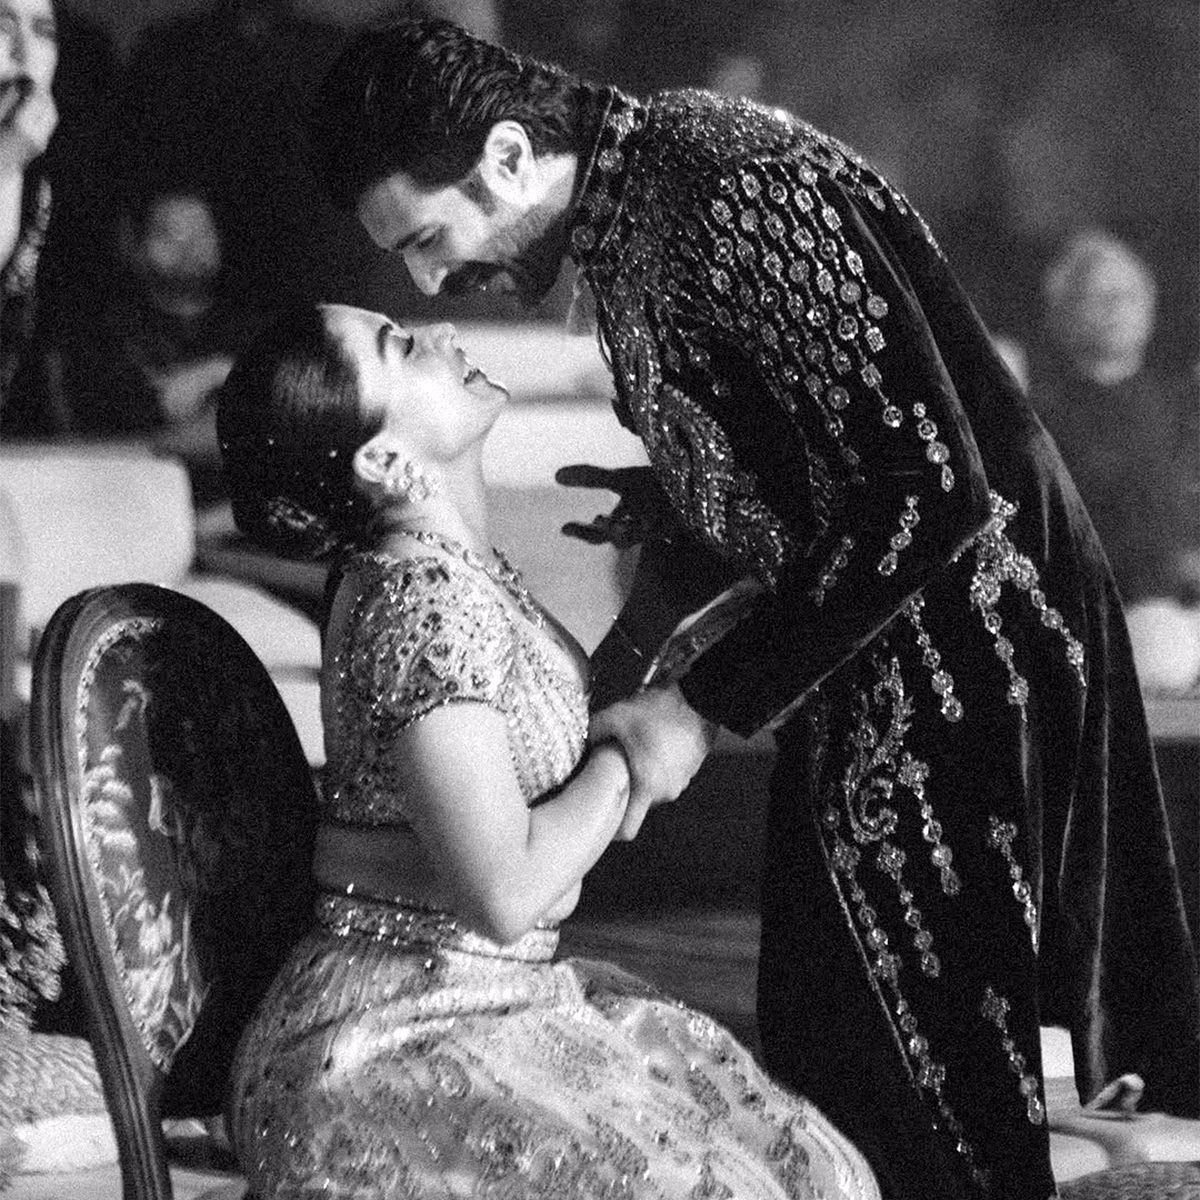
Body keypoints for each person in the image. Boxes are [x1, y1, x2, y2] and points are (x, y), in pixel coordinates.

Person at [303, 18, 1200, 1200]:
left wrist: (696, 707)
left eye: (428, 239)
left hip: (966, 648)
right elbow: (813, 443)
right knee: (834, 1067)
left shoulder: (729, 189)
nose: (429, 283)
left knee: (922, 1097)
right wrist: (683, 502)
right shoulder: (636, 208)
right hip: (864, 654)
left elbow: (931, 489)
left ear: (508, 159)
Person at [215, 301, 882, 1200]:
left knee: (804, 1165)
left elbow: (537, 768)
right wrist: (638, 756)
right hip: (390, 1033)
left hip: (496, 997)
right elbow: (506, 891)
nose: (443, 335)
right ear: (382, 460)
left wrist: (659, 610)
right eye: (401, 347)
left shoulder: (458, 574)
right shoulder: (420, 600)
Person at [1026, 230, 1200, 692]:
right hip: (1120, 620)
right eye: (1102, 297)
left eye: (1130, 295)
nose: (1120, 309)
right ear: (1064, 313)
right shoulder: (1042, 420)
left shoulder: (1183, 404)